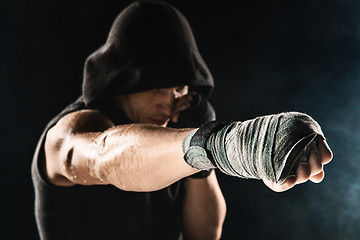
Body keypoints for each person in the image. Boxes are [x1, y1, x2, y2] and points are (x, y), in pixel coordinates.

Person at [32, 1, 332, 240]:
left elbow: (204, 235)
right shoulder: (69, 133)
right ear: (126, 77)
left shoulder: (175, 131)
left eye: (181, 89)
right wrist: (227, 144)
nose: (171, 102)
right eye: (161, 87)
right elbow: (103, 156)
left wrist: (207, 154)